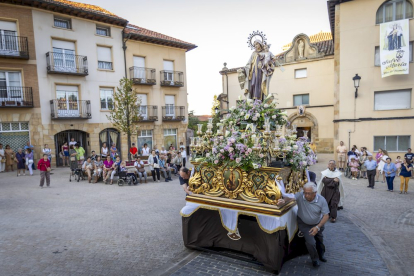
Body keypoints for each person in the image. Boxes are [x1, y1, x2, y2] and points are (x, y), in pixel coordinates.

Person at [278, 182, 330, 268]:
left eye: (308, 193)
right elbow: (291, 198)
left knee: (319, 239)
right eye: (305, 192)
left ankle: (321, 254)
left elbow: (326, 215)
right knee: (311, 242)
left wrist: (317, 227)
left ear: (315, 193)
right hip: (304, 223)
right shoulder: (301, 195)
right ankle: (315, 259)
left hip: (318, 223)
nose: (306, 195)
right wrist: (284, 200)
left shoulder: (321, 200)